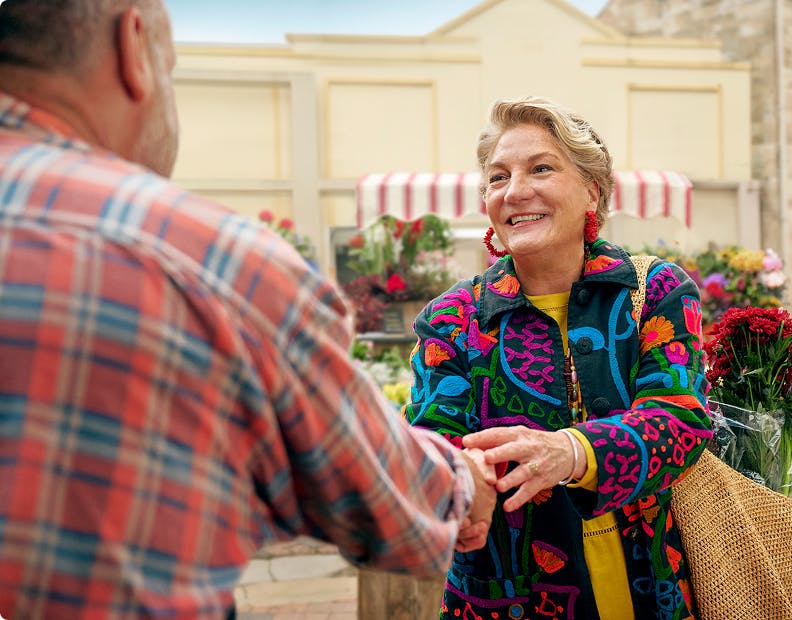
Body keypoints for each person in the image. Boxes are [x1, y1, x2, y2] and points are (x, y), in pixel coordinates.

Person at [0, 1, 495, 617]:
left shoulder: (648, 290)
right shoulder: (204, 260)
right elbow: (380, 494)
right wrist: (465, 480)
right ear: (134, 48)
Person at [405, 96, 712, 619]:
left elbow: (681, 419)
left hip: (648, 588)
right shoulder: (452, 318)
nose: (515, 190)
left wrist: (570, 452)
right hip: (506, 598)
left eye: (541, 168)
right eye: (498, 177)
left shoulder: (653, 290)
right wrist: (458, 493)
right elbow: (430, 444)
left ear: (592, 189)